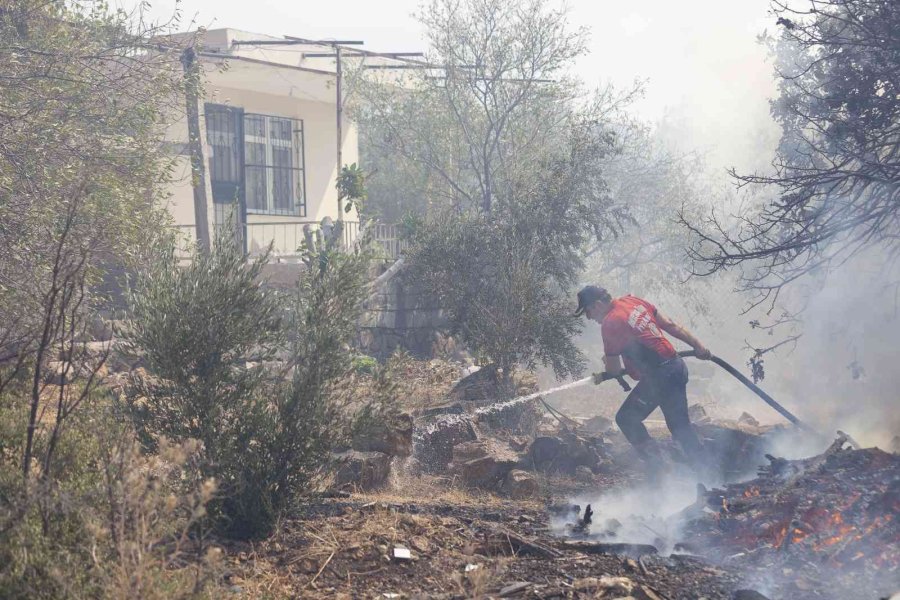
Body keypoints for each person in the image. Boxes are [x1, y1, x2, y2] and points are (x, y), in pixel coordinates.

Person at [575, 285, 712, 474]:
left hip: (660, 377)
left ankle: (659, 470)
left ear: (598, 305)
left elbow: (613, 369)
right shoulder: (633, 301)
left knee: (626, 418)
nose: (590, 318)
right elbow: (670, 324)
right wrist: (698, 345)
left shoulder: (610, 322)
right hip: (676, 367)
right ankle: (708, 471)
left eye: (588, 311)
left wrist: (608, 361)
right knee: (680, 426)